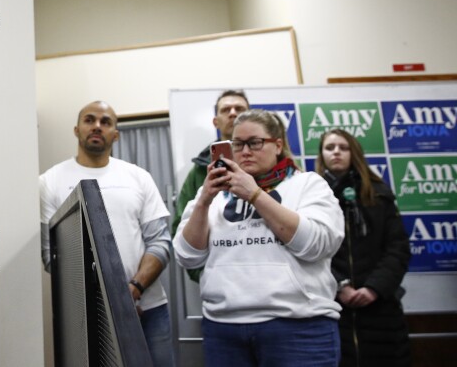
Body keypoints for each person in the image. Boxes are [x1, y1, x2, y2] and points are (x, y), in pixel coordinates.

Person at [174, 109, 344, 366]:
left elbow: (316, 245)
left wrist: (254, 195)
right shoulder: (213, 193)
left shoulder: (308, 184)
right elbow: (187, 256)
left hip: (298, 325)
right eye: (237, 144)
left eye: (255, 143)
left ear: (278, 145)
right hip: (223, 327)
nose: (245, 152)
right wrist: (204, 201)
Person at [40, 101, 175, 367]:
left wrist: (132, 291)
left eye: (105, 122)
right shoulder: (49, 181)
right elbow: (51, 257)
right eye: (89, 120)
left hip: (148, 309)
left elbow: (160, 243)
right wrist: (107, 301)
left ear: (116, 134)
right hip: (87, 315)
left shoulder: (138, 177)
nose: (97, 126)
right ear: (77, 129)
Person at [316, 129, 411, 367]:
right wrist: (340, 286)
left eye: (343, 147)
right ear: (321, 155)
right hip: (331, 305)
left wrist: (373, 288)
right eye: (329, 148)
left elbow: (397, 248)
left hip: (380, 308)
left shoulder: (379, 193)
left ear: (354, 153)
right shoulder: (312, 197)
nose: (336, 152)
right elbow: (309, 251)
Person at [172, 89, 249, 282]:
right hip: (220, 283)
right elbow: (182, 226)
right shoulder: (200, 171)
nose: (233, 113)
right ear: (216, 122)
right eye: (226, 110)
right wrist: (206, 274)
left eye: (239, 109)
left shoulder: (269, 162)